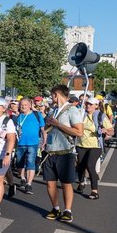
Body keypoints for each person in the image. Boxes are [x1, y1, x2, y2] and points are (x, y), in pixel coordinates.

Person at [42, 84, 84, 223]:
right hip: (50, 152)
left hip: (66, 152)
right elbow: (47, 129)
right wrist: (48, 125)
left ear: (56, 94)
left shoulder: (72, 110)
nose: (51, 97)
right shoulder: (52, 110)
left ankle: (68, 211)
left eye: (52, 95)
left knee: (66, 183)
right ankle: (55, 208)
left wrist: (58, 124)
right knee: (50, 183)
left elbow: (79, 132)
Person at [76, 96, 113, 200]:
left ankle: (94, 191)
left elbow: (111, 130)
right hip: (81, 144)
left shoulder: (100, 116)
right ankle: (82, 182)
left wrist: (106, 131)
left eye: (91, 104)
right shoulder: (81, 114)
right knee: (81, 166)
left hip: (95, 145)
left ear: (96, 106)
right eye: (87, 103)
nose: (88, 105)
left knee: (90, 165)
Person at [14, 97, 45, 194]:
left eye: (25, 105)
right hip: (20, 143)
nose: (23, 106)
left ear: (30, 105)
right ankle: (23, 178)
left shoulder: (37, 115)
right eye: (21, 105)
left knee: (31, 163)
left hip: (33, 143)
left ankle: (29, 184)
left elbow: (43, 130)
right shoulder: (19, 117)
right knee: (19, 163)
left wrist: (44, 142)